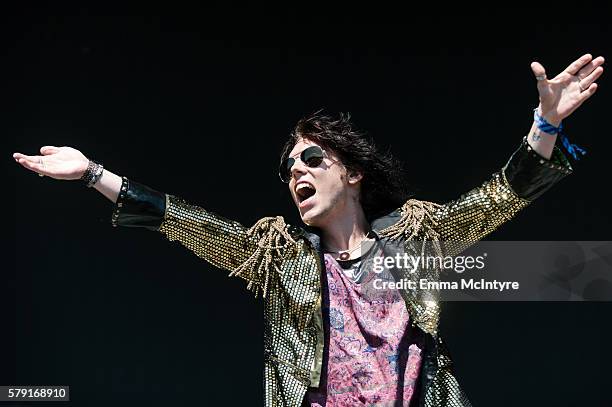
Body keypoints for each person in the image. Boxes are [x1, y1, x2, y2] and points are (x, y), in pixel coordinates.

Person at [13, 54, 604, 406]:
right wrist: (93, 174)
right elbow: (187, 223)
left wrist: (544, 124)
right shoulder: (277, 254)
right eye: (288, 166)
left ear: (350, 173)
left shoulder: (414, 239)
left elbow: (498, 199)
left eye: (312, 158)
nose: (295, 169)